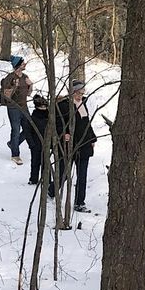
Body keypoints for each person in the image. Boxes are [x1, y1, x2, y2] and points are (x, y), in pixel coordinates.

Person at [51, 80, 97, 212]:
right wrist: (62, 134)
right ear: (72, 92)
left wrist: (92, 138)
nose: (81, 95)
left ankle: (79, 202)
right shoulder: (63, 105)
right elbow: (57, 124)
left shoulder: (83, 104)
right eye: (78, 92)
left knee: (82, 175)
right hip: (69, 146)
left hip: (84, 145)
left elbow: (86, 123)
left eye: (82, 92)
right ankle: (51, 191)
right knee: (64, 174)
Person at [0, 55, 33, 165]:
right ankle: (15, 154)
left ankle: (13, 143)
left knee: (29, 128)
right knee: (16, 130)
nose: (25, 64)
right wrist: (14, 86)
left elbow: (28, 93)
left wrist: (30, 85)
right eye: (23, 63)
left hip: (24, 107)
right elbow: (7, 96)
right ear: (18, 65)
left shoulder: (25, 76)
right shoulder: (10, 78)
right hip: (13, 108)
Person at [25, 95, 50, 186]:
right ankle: (33, 179)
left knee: (46, 163)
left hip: (46, 144)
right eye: (41, 106)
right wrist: (31, 144)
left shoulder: (49, 117)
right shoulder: (33, 118)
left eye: (45, 106)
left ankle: (46, 179)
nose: (43, 108)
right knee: (35, 162)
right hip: (35, 144)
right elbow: (27, 132)